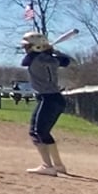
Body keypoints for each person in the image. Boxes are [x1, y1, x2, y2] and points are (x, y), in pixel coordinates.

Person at [20, 30, 71, 176]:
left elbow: (25, 62)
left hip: (47, 98)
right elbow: (66, 61)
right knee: (41, 131)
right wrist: (52, 51)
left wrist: (45, 50)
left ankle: (47, 166)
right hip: (56, 99)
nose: (25, 49)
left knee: (38, 132)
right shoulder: (53, 59)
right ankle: (58, 165)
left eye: (28, 46)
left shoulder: (33, 59)